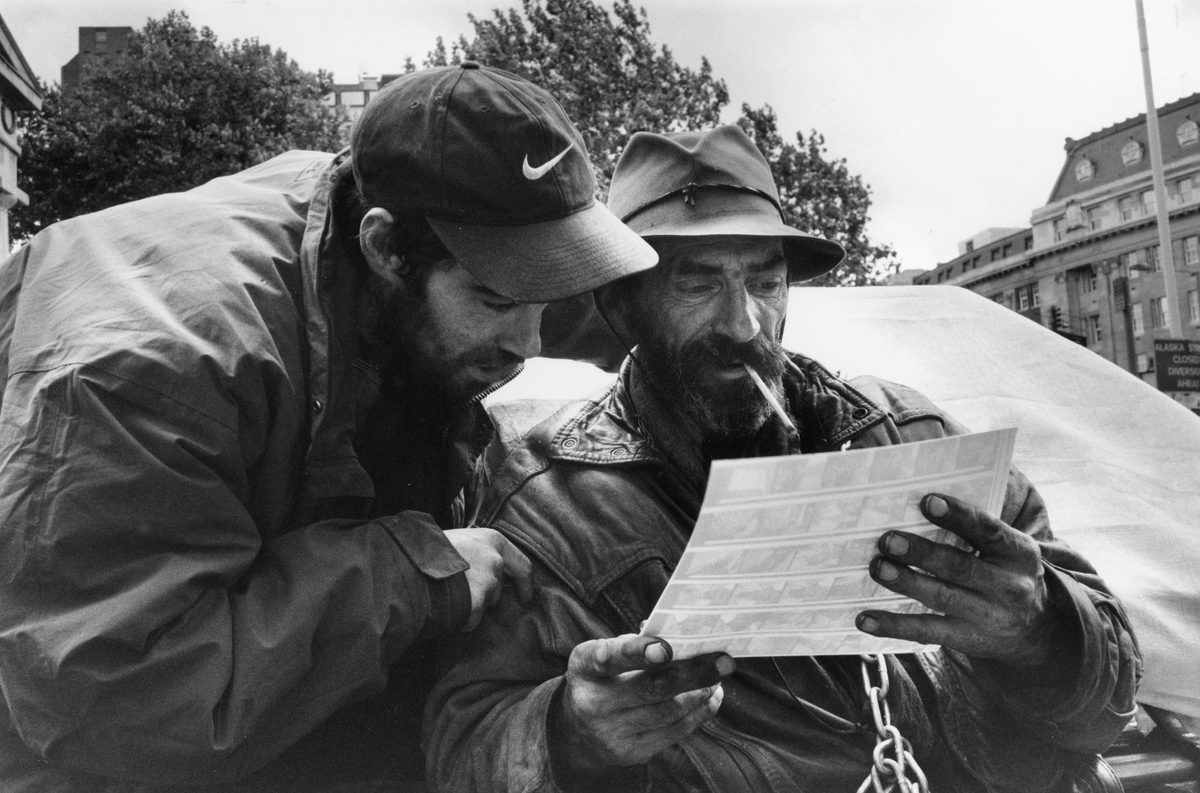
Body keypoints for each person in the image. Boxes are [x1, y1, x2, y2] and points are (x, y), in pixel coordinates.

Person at [0, 63, 657, 791]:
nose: (530, 343)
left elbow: (554, 301)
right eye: (499, 301)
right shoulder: (152, 377)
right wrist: (414, 572)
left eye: (547, 293)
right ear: (384, 249)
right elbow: (115, 702)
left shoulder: (386, 209)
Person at [424, 125, 1141, 792]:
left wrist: (1044, 628)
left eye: (765, 281)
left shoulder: (915, 436)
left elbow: (1113, 698)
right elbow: (461, 744)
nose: (744, 323)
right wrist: (570, 730)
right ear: (622, 306)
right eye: (699, 282)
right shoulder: (547, 504)